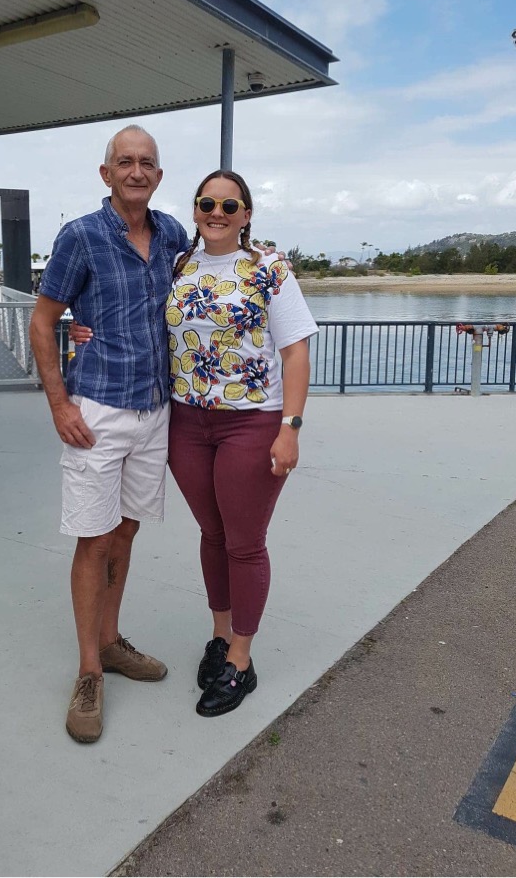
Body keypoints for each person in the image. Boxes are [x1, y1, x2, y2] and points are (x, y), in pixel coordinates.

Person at [29, 125, 189, 744]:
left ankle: (112, 640)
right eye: (125, 161)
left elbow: (213, 273)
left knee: (126, 528)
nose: (136, 171)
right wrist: (58, 402)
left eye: (147, 162)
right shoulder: (81, 237)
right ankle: (90, 671)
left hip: (155, 410)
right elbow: (44, 322)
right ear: (106, 174)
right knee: (94, 540)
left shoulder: (173, 232)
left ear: (158, 173)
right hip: (97, 410)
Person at [166, 170, 318, 716]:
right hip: (187, 422)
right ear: (196, 209)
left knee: (244, 542)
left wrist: (290, 428)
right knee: (212, 533)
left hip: (251, 423)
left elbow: (296, 353)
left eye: (230, 206)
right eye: (207, 203)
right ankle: (221, 635)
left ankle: (242, 660)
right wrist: (83, 329)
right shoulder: (179, 266)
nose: (217, 212)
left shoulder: (269, 269)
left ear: (247, 215)